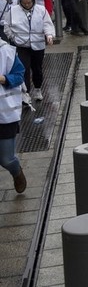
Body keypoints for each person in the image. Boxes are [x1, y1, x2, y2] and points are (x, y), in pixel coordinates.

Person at [5, 0, 55, 104]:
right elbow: (7, 26)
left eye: (29, 3)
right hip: (22, 45)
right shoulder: (13, 11)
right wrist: (13, 37)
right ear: (20, 2)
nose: (27, 5)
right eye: (24, 3)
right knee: (24, 68)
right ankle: (25, 92)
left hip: (38, 44)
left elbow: (47, 24)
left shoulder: (41, 10)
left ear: (33, 1)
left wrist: (49, 35)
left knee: (37, 68)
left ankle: (38, 88)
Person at [0, 36, 27, 193]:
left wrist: (3, 79)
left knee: (6, 159)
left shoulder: (6, 50)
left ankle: (16, 171)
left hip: (4, 116)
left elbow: (19, 75)